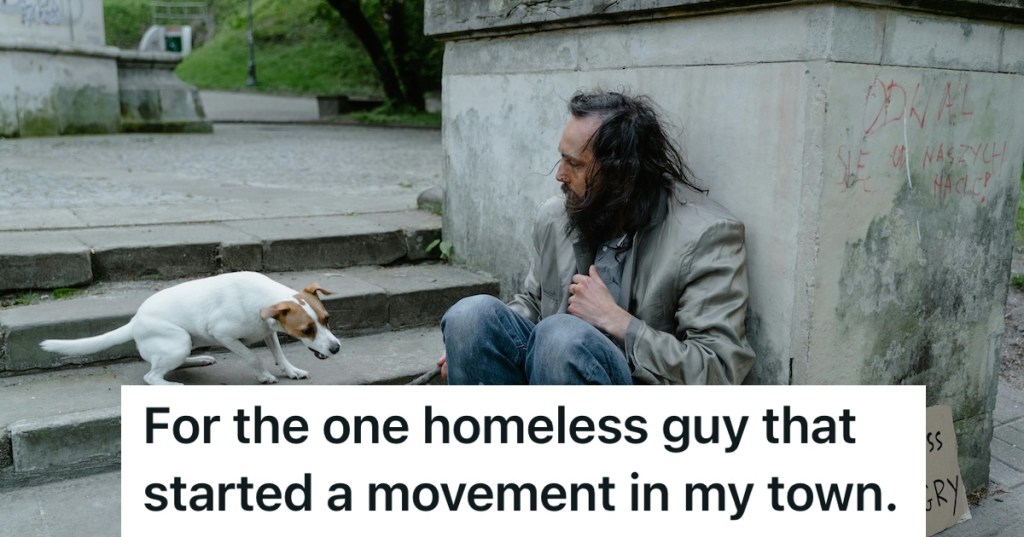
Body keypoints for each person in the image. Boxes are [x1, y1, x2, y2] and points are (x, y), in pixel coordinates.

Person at [438, 90, 755, 385]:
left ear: (621, 174)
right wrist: (474, 344)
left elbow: (719, 368)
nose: (560, 175)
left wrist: (619, 322)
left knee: (561, 338)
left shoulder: (705, 236)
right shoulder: (557, 215)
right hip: (551, 369)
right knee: (469, 318)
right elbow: (533, 303)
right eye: (562, 158)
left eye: (575, 164)